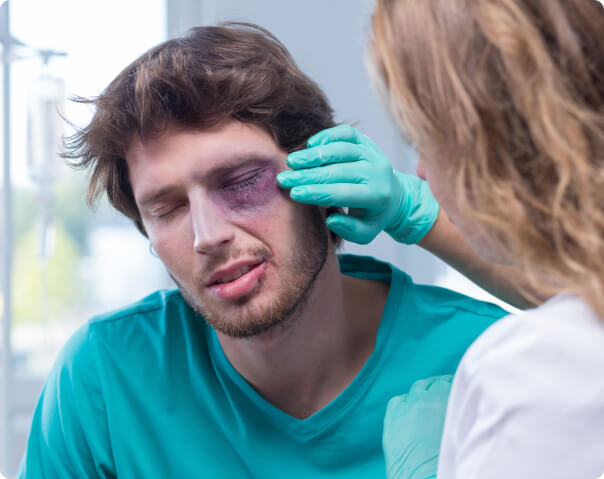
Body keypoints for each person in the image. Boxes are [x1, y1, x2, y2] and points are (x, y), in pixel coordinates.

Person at [19, 23, 520, 479]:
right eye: (167, 208)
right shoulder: (105, 379)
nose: (206, 236)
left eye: (241, 181)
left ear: (324, 179)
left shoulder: (482, 357)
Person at [289, 0, 603, 477]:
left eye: (424, 140)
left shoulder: (534, 371)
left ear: (485, 143)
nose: (419, 173)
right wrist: (413, 214)